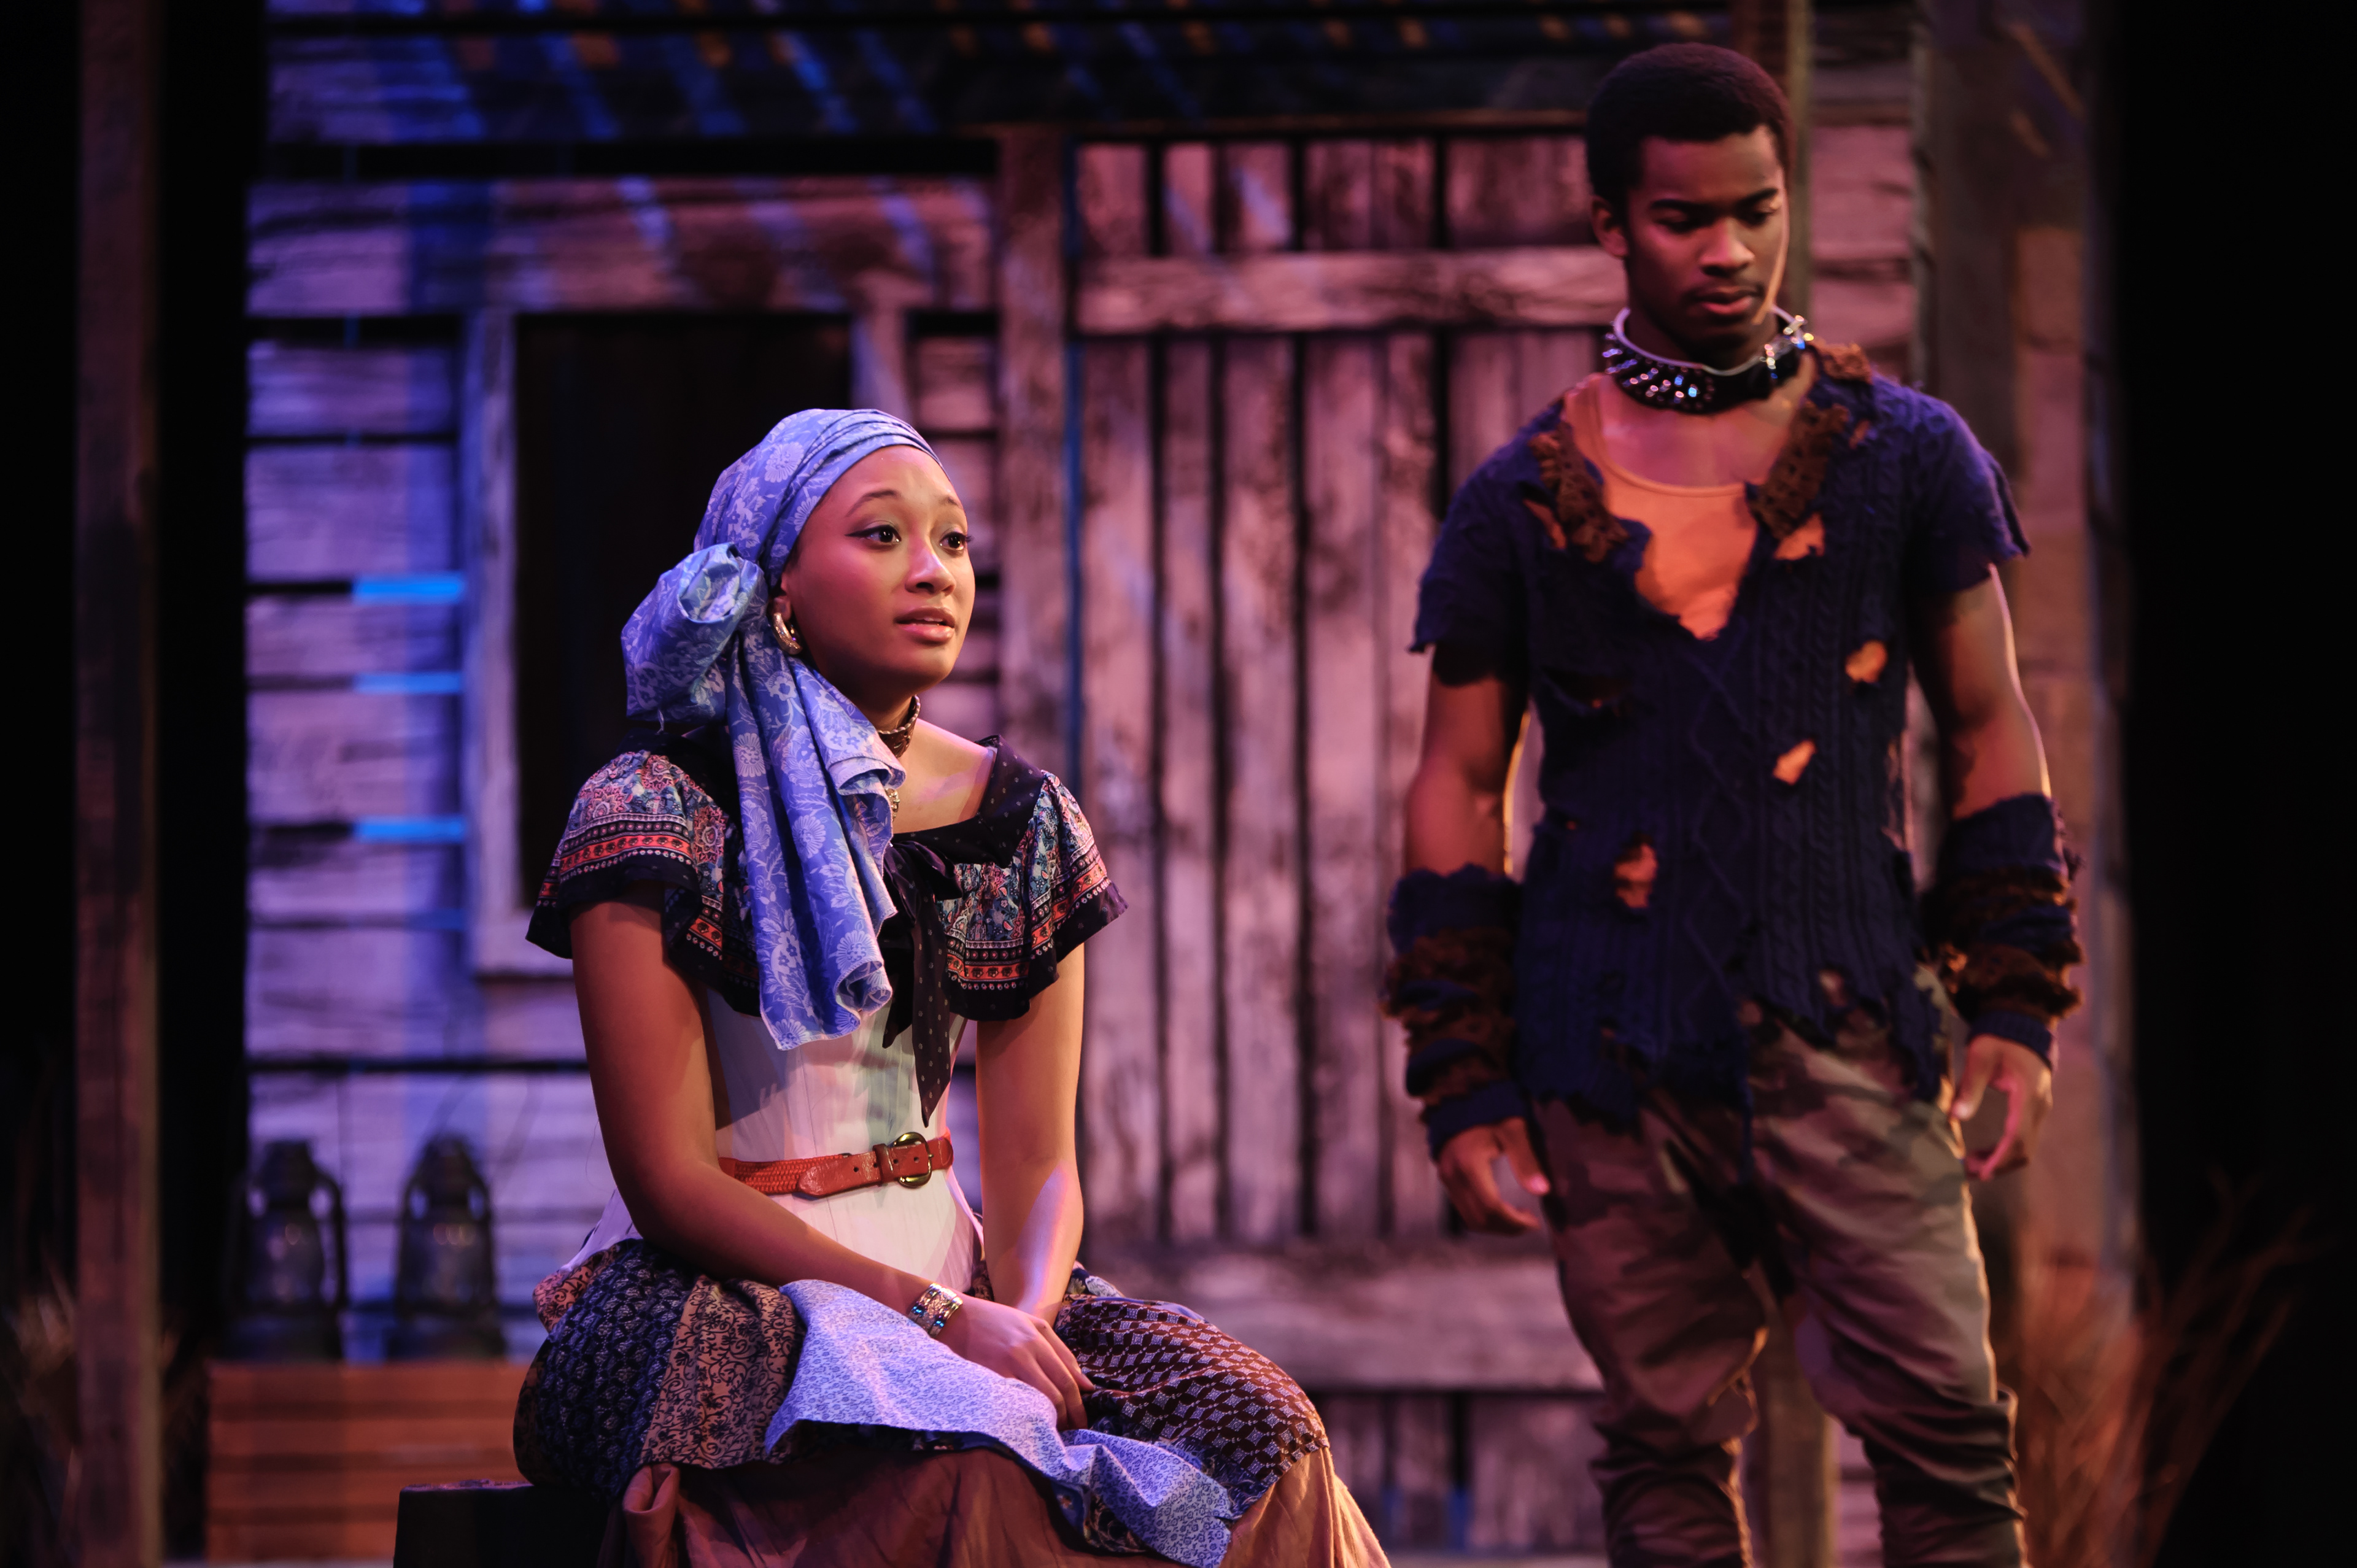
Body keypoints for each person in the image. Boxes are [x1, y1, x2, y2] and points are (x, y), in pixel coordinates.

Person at [1385, 44, 2078, 1568]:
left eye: (1757, 211)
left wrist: (2018, 1000)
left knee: (1953, 1442)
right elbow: (1456, 784)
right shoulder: (1520, 502)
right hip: (1607, 1043)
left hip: (1849, 1022)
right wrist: (1464, 1078)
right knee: (1663, 1450)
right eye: (1685, 218)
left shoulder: (1907, 459)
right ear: (1610, 224)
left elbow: (1990, 726)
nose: (1729, 251)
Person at [515, 409, 1384, 1567]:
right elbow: (670, 1181)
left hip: (956, 1272)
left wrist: (1020, 1322)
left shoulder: (1019, 820)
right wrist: (933, 1322)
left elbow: (1040, 1165)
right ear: (776, 582)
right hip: (728, 1283)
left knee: (1266, 1431)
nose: (934, 572)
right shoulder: (651, 810)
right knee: (972, 1462)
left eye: (955, 541)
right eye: (882, 536)